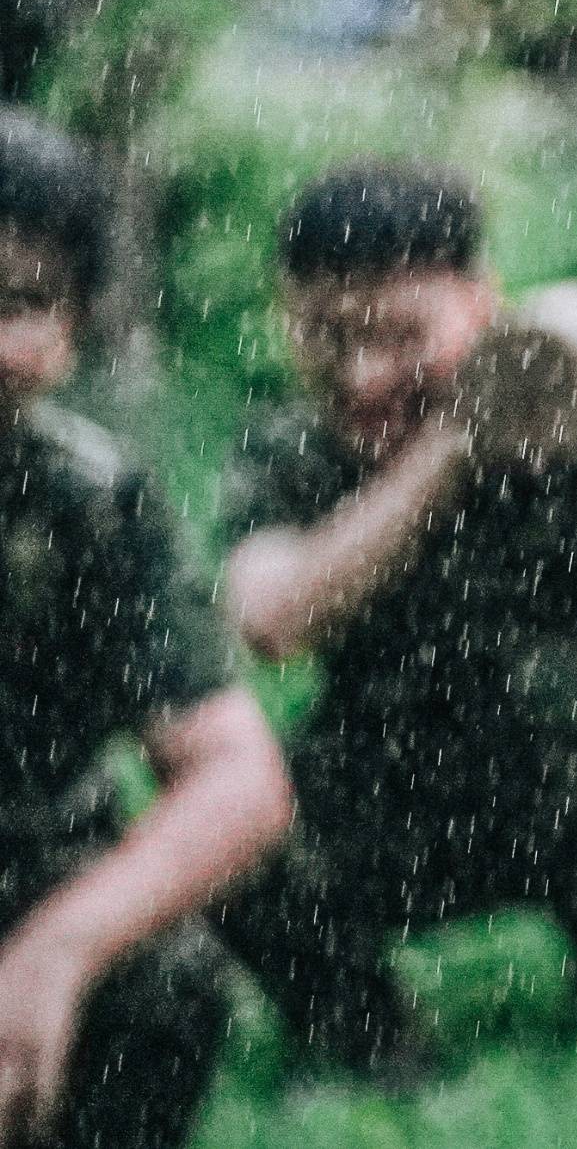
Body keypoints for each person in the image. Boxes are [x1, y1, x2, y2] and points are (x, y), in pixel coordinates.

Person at [211, 164, 577, 1073]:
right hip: (392, 785)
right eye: (326, 334)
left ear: (483, 302)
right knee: (225, 830)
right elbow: (271, 619)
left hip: (568, 793)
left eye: (402, 334)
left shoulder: (573, 423)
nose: (363, 372)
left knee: (564, 707)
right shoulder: (291, 447)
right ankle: (376, 1044)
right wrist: (449, 444)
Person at [0, 117, 292, 1149]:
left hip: (16, 890)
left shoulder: (85, 503)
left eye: (20, 302)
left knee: (160, 985)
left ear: (71, 328)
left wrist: (56, 949)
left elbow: (239, 777)